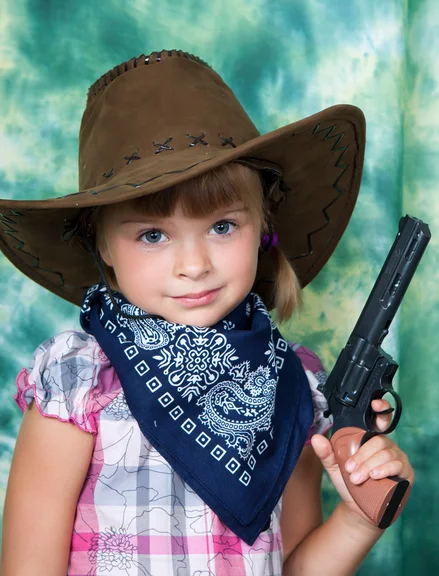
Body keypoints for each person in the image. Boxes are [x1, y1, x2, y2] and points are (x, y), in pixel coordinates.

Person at [0, 50, 414, 576]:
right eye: (153, 235)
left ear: (263, 227)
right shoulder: (81, 383)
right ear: (102, 247)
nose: (193, 266)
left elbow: (295, 569)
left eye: (222, 226)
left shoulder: (290, 387)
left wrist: (357, 522)